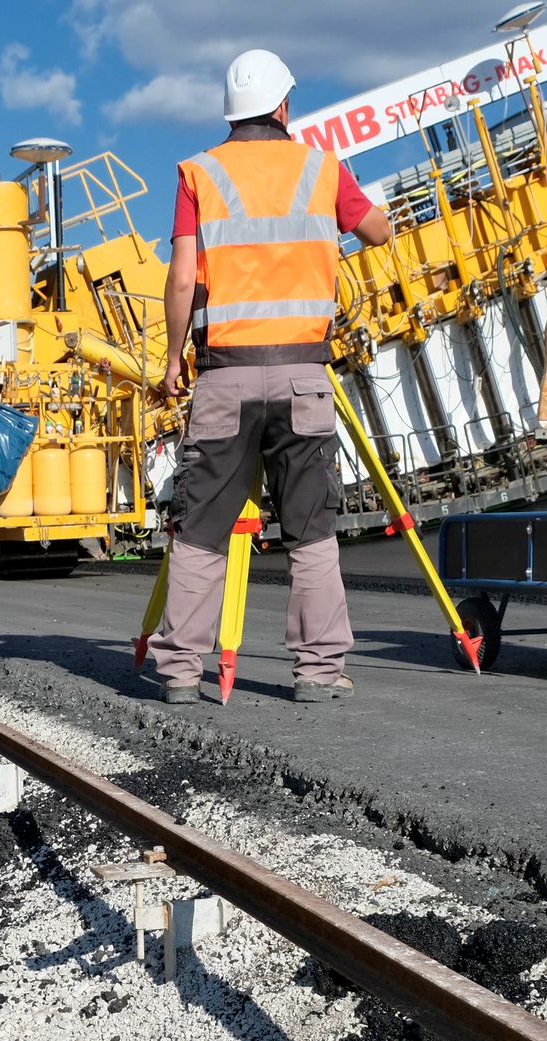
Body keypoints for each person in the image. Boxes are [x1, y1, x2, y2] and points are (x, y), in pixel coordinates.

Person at [149, 49, 393, 705]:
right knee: (310, 528)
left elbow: (180, 276)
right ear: (285, 107)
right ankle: (317, 672)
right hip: (303, 377)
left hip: (225, 375)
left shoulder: (199, 173)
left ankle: (177, 672)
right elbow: (377, 231)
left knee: (200, 527)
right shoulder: (321, 169)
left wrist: (173, 361)